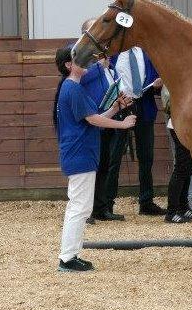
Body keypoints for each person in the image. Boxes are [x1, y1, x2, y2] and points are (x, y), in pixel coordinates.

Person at [52, 47, 136, 272]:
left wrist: (116, 108)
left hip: (82, 153)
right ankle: (68, 258)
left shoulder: (72, 87)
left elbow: (93, 117)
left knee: (80, 207)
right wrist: (122, 123)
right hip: (79, 154)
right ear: (69, 65)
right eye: (79, 59)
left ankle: (71, 255)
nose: (87, 62)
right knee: (79, 207)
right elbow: (93, 119)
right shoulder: (73, 89)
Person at [76, 19, 130, 224]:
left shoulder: (101, 58)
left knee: (105, 164)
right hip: (93, 117)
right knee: (93, 166)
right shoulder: (79, 55)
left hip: (108, 113)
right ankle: (87, 210)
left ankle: (101, 206)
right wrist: (99, 67)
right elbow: (78, 79)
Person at [106, 46, 166, 216]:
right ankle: (107, 203)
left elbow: (154, 78)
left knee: (146, 157)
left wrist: (157, 84)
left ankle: (146, 202)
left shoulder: (146, 53)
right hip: (121, 107)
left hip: (144, 105)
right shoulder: (113, 56)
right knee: (114, 157)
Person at [161, 85, 192, 223]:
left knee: (189, 167)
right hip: (180, 124)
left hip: (189, 125)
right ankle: (171, 211)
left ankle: (183, 207)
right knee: (181, 167)